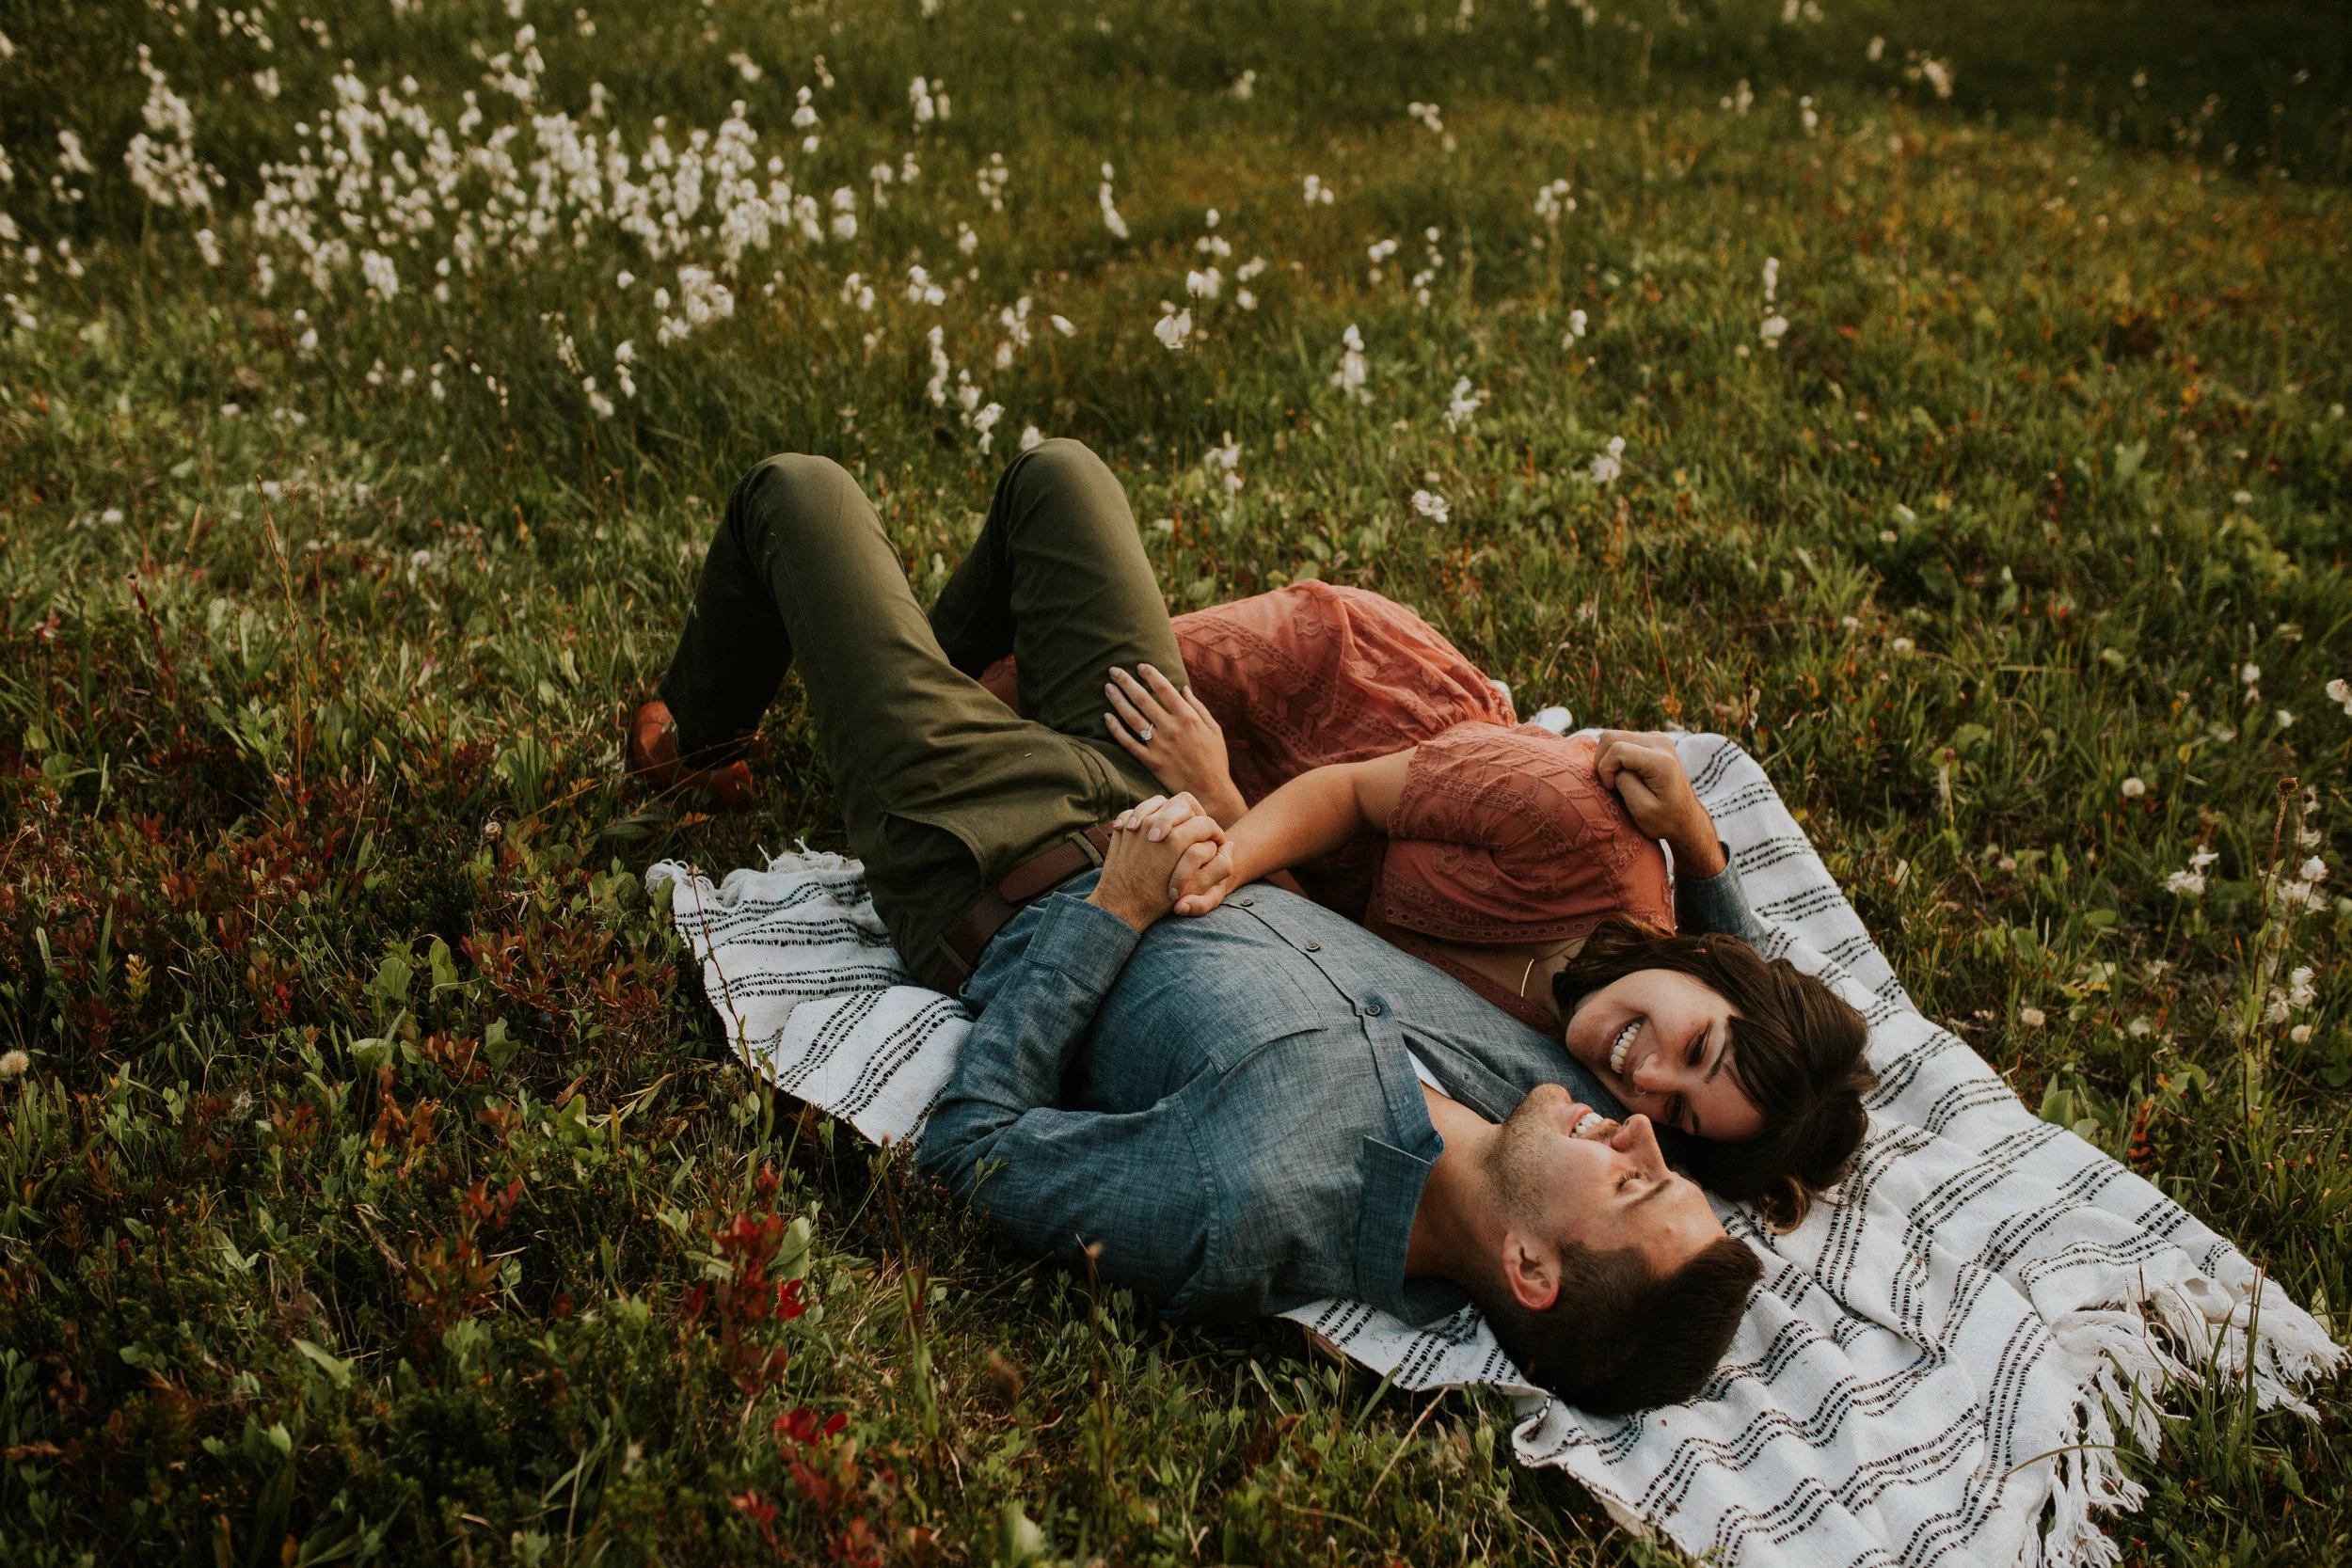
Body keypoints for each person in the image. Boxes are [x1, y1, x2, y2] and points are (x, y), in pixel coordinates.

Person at [635, 440, 1759, 1409]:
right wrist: (1701, 848)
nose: (1642, 1135)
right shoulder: (1545, 1098)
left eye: (1635, 1181)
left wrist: (1112, 912)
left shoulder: (1243, 1200)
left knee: (799, 491)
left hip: (997, 850)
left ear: (1527, 1268)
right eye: (1664, 1157)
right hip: (1150, 765)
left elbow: (971, 1154)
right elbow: (1750, 1025)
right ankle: (892, 678)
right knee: (1057, 479)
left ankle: (697, 739)